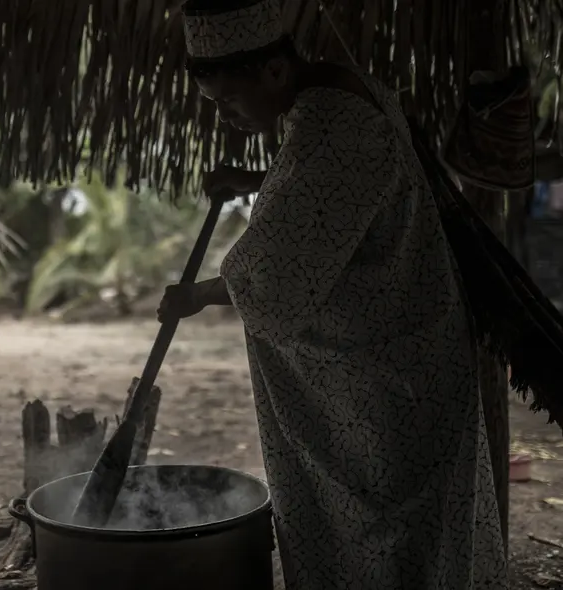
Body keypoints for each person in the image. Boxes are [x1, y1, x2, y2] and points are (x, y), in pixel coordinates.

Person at [157, 0, 508, 588]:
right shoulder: (336, 93)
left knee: (385, 531)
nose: (225, 117)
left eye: (228, 100)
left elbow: (275, 275)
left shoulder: (330, 126)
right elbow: (335, 197)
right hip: (409, 352)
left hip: (392, 379)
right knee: (404, 531)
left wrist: (195, 296)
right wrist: (253, 182)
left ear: (272, 70)